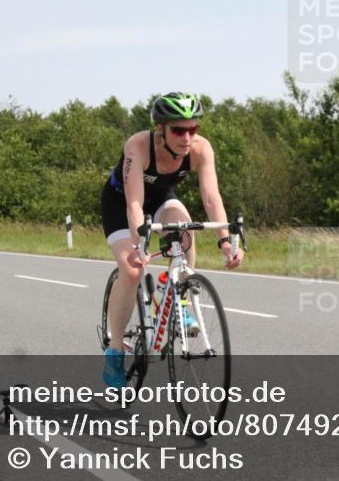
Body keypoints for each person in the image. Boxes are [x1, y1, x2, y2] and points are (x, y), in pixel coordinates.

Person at [100, 93, 244, 388]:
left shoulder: (201, 149)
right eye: (179, 130)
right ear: (161, 128)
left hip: (163, 199)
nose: (187, 136)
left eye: (193, 129)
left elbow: (210, 197)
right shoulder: (138, 146)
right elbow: (135, 204)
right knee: (132, 271)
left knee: (185, 231)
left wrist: (225, 242)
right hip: (123, 203)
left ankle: (174, 294)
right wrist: (140, 248)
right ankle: (115, 349)